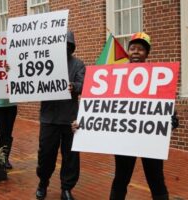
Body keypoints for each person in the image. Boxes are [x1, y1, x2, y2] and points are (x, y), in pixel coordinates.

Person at [72, 32, 179, 200]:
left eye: (141, 49)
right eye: (133, 48)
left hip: (150, 138)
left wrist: (171, 119)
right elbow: (101, 107)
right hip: (125, 139)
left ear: (147, 54)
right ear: (128, 51)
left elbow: (166, 107)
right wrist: (83, 122)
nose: (136, 52)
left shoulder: (158, 77)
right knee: (121, 178)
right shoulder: (115, 77)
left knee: (156, 180)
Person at [35, 31, 85, 200]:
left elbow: (83, 84)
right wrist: (12, 71)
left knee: (71, 156)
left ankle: (66, 188)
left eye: (67, 45)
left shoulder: (78, 64)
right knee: (46, 154)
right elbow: (29, 78)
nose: (64, 48)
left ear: (71, 47)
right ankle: (43, 181)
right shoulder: (43, 62)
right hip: (49, 117)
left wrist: (74, 86)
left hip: (70, 118)